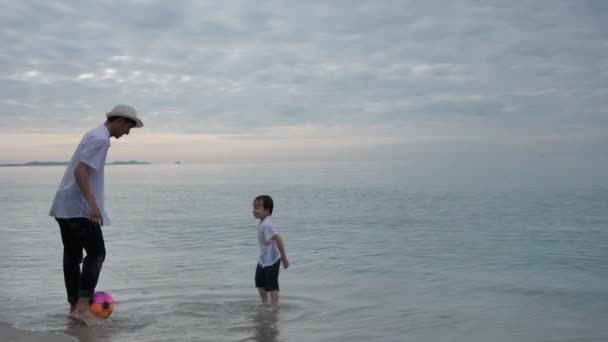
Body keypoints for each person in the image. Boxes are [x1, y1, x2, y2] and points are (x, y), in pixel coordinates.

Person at [49, 105, 143, 324]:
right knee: (97, 253)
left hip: (65, 206)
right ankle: (83, 308)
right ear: (119, 121)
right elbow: (80, 171)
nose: (127, 133)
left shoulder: (93, 134)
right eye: (128, 127)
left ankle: (74, 307)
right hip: (79, 209)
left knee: (72, 256)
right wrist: (92, 204)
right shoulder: (100, 139)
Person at [252, 195, 289, 310]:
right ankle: (265, 303)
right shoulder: (263, 222)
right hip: (263, 259)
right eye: (254, 207)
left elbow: (278, 238)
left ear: (267, 210)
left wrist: (284, 258)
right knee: (259, 282)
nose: (254, 210)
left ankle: (274, 307)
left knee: (272, 285)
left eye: (258, 207)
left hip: (272, 260)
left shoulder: (267, 224)